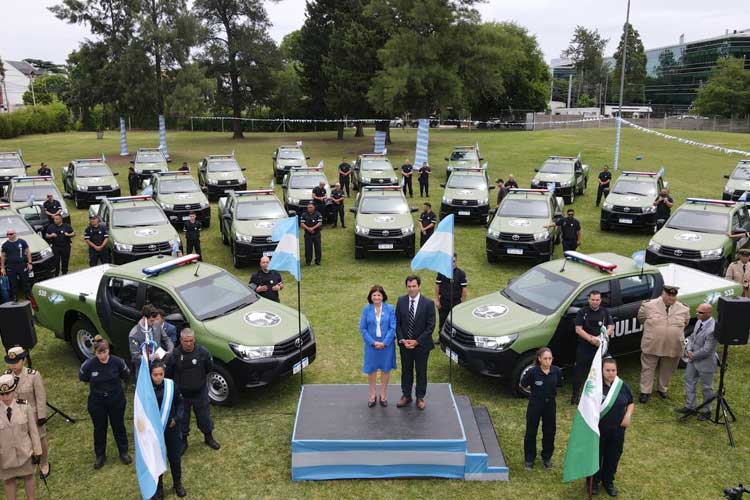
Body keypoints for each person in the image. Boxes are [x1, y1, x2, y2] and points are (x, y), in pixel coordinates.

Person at [79, 335, 131, 469]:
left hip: (116, 400)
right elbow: (83, 378)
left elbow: (126, 376)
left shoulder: (118, 362)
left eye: (105, 352)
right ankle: (100, 455)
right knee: (99, 429)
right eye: (99, 353)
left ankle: (123, 452)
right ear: (95, 352)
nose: (102, 355)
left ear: (108, 350)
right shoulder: (89, 365)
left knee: (118, 426)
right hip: (97, 402)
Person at [165, 328, 220, 453]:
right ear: (181, 340)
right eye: (186, 341)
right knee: (182, 419)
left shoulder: (203, 352)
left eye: (191, 340)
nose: (188, 343)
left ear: (194, 339)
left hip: (200, 393)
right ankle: (183, 441)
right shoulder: (175, 355)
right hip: (182, 396)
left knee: (204, 417)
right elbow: (168, 374)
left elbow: (209, 368)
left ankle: (208, 437)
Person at [637, 285, 689, 403]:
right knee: (648, 368)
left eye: (673, 296)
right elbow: (641, 319)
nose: (671, 298)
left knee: (668, 368)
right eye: (669, 295)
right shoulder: (648, 305)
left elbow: (686, 322)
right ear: (663, 294)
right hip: (652, 343)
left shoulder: (684, 309)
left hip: (673, 345)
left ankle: (662, 388)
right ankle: (645, 391)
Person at [591, 357, 634, 497]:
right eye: (607, 370)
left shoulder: (622, 385)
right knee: (596, 456)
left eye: (613, 370)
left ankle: (608, 481)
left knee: (613, 456)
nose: (611, 373)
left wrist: (628, 415)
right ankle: (593, 482)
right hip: (599, 430)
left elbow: (631, 402)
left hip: (617, 430)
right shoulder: (594, 386)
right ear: (602, 370)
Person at [4, 347, 50, 480]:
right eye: (10, 362)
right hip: (16, 417)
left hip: (33, 415)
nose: (13, 365)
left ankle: (44, 463)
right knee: (21, 441)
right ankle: (25, 465)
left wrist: (41, 415)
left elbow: (40, 396)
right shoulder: (6, 376)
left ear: (23, 360)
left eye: (16, 362)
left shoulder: (33, 375)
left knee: (40, 439)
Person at [395, 275, 435, 411]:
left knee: (421, 371)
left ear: (419, 286)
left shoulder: (428, 303)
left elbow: (431, 326)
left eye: (414, 286)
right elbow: (397, 323)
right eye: (409, 286)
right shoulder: (401, 301)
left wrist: (417, 341)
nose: (411, 289)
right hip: (405, 345)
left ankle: (420, 397)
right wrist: (402, 340)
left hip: (421, 346)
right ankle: (406, 396)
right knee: (406, 371)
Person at [0, 373, 42, 500]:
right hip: (5, 455)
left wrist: (37, 450)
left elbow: (33, 431)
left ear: (14, 391)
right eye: (2, 394)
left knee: (29, 476)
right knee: (8, 480)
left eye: (8, 393)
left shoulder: (24, 406)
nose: (5, 397)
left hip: (25, 452)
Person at [149, 361, 187, 498]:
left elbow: (180, 403)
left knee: (175, 457)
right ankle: (159, 488)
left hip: (171, 427)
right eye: (155, 375)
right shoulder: (146, 388)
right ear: (150, 374)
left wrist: (176, 419)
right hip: (154, 430)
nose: (158, 377)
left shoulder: (171, 386)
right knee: (157, 459)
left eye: (161, 374)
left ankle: (177, 484)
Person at [521, 347, 562, 470]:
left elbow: (559, 384)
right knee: (531, 432)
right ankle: (529, 459)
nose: (548, 361)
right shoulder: (532, 372)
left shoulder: (556, 371)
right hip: (535, 404)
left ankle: (546, 457)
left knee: (550, 432)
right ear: (539, 359)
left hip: (550, 405)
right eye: (545, 358)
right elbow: (523, 383)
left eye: (550, 358)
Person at [674, 304, 717, 421]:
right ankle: (690, 407)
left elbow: (708, 350)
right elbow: (692, 337)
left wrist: (693, 355)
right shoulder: (699, 322)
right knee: (689, 381)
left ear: (708, 313)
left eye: (700, 312)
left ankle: (706, 411)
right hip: (693, 360)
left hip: (706, 362)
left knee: (707, 388)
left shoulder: (713, 329)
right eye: (697, 311)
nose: (697, 314)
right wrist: (688, 349)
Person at [571, 290, 614, 405]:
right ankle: (575, 396)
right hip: (585, 346)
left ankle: (603, 395)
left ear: (600, 300)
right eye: (593, 299)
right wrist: (591, 339)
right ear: (589, 299)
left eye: (597, 300)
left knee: (604, 370)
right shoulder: (582, 312)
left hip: (600, 347)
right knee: (579, 370)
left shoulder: (605, 312)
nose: (595, 302)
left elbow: (611, 327)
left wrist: (603, 337)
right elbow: (578, 329)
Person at [359, 285, 397, 407]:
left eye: (379, 295)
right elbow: (363, 328)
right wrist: (373, 342)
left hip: (387, 345)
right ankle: (372, 395)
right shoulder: (366, 309)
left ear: (383, 296)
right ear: (371, 296)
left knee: (386, 369)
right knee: (372, 370)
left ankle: (383, 395)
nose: (376, 297)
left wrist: (385, 342)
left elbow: (393, 327)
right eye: (374, 295)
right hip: (371, 345)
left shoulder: (390, 308)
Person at [128, 305, 174, 374]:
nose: (153, 323)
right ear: (144, 318)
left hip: (158, 366)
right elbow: (135, 357)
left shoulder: (156, 324)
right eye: (151, 321)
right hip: (143, 369)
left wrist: (170, 349)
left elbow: (166, 339)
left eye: (155, 320)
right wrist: (151, 357)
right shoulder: (134, 334)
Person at [434, 253, 468, 331]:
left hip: (456, 302)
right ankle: (441, 339)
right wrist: (436, 300)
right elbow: (437, 286)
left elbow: (464, 290)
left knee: (455, 322)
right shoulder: (441, 272)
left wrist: (462, 303)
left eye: (454, 261)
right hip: (444, 301)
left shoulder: (461, 274)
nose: (452, 263)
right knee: (442, 321)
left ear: (456, 261)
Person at [1, 229, 33, 299]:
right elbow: (3, 256)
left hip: (21, 265)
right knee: (13, 283)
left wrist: (29, 263)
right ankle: (14, 296)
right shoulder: (5, 245)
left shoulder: (22, 242)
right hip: (11, 266)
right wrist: (2, 267)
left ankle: (27, 295)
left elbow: (28, 252)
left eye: (11, 234)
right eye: (8, 234)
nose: (9, 235)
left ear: (15, 234)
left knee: (25, 281)